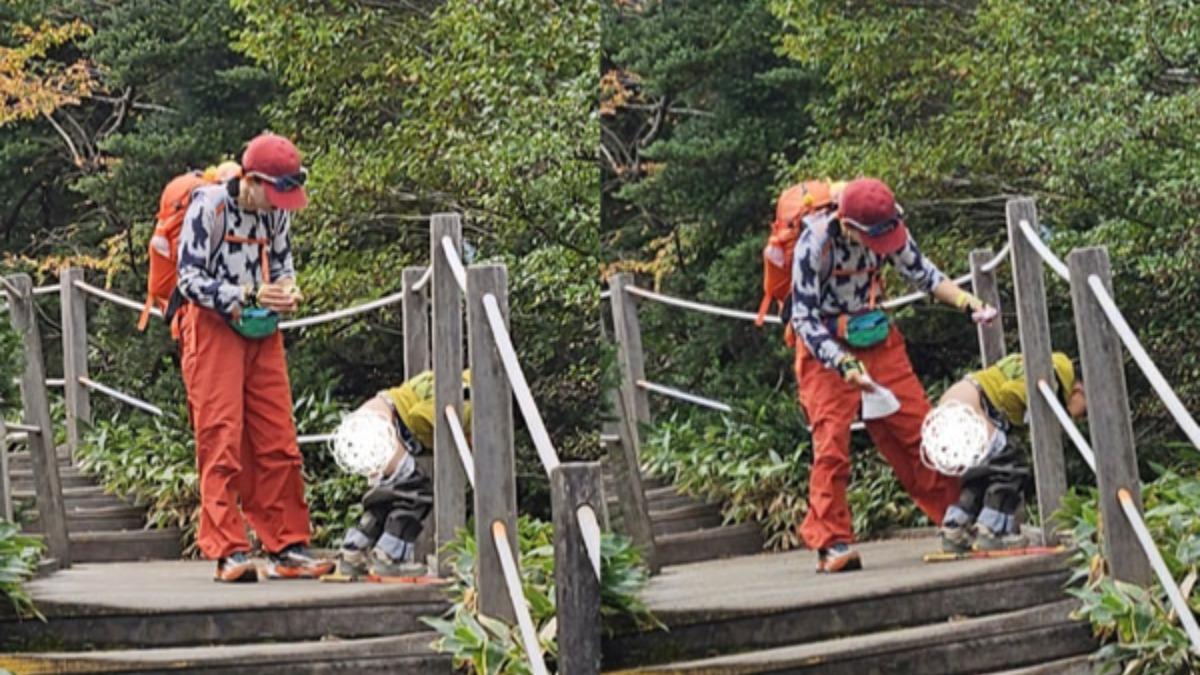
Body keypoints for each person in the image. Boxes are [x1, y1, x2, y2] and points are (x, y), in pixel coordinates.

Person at [790, 177, 998, 573]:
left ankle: (956, 519)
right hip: (824, 347)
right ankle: (832, 542)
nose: (884, 246)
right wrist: (844, 364)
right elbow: (803, 317)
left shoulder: (889, 227)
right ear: (849, 225)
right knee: (832, 441)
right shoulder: (814, 242)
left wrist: (967, 302)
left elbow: (925, 274)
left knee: (920, 429)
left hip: (875, 336)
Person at [176, 132, 333, 582]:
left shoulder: (276, 214)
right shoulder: (209, 207)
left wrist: (287, 290)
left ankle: (288, 545)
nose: (282, 203)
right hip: (212, 326)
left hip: (262, 328)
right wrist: (242, 293)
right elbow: (189, 279)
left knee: (278, 436)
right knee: (220, 436)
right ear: (254, 180)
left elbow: (282, 264)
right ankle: (228, 550)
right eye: (278, 192)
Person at [937, 353, 1086, 552]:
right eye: (1085, 413)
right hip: (973, 407)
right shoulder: (1055, 375)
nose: (1082, 419)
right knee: (1012, 467)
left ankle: (955, 528)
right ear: (1079, 390)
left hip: (951, 405)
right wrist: (1019, 422)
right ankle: (992, 530)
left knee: (982, 475)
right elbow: (1010, 393)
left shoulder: (1045, 363)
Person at [333, 370, 471, 579]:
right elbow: (419, 416)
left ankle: (353, 551)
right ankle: (390, 557)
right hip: (380, 430)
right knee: (415, 492)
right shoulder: (464, 396)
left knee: (387, 499)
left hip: (363, 423)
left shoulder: (437, 379)